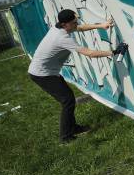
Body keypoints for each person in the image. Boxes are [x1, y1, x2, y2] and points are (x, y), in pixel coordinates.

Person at [28, 9, 125, 143]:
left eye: (76, 20)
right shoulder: (61, 38)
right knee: (67, 100)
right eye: (74, 22)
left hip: (48, 72)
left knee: (69, 98)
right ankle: (65, 137)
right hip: (41, 74)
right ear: (64, 24)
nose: (76, 24)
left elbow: (80, 28)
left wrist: (101, 25)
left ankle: (73, 128)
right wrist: (113, 52)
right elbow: (89, 53)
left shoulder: (61, 28)